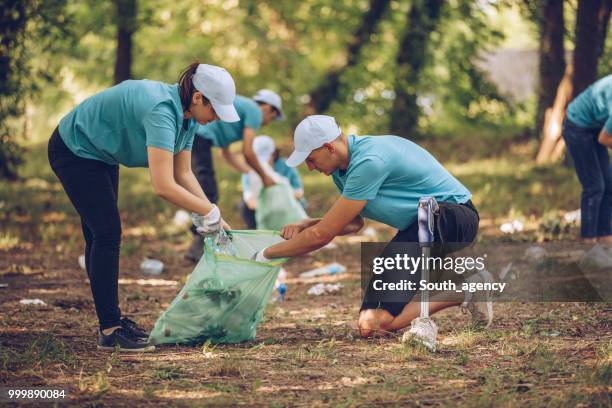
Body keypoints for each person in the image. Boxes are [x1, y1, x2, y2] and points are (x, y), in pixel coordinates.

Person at [48, 63, 238, 352]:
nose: (215, 119)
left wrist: (213, 214)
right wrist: (207, 212)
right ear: (198, 97)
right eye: (215, 111)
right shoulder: (162, 111)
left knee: (100, 233)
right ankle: (110, 329)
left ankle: (111, 322)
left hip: (101, 154)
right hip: (75, 148)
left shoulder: (187, 117)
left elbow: (183, 174)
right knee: (107, 232)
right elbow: (163, 185)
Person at [251, 115, 492, 337]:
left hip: (450, 217)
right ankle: (464, 289)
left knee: (376, 323)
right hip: (421, 224)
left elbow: (321, 236)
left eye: (311, 160)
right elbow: (353, 223)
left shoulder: (369, 161)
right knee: (371, 325)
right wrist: (306, 224)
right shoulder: (341, 169)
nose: (310, 167)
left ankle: (464, 289)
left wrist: (263, 255)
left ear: (329, 147)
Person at [185, 89, 286, 261]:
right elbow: (248, 152)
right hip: (198, 137)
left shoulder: (240, 111)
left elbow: (226, 154)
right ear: (268, 108)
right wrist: (264, 176)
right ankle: (199, 246)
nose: (268, 123)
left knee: (203, 188)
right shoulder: (254, 111)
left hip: (197, 137)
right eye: (272, 118)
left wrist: (251, 173)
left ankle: (201, 241)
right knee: (208, 192)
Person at [563, 74, 612, 244]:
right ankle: (588, 240)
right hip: (577, 126)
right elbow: (605, 138)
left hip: (596, 126)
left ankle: (605, 237)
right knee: (595, 185)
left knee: (609, 183)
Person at [239, 135, 305, 229]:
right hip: (264, 210)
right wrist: (267, 206)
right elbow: (250, 200)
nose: (262, 163)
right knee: (243, 206)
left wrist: (280, 200)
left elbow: (299, 193)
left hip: (288, 209)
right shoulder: (250, 171)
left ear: (273, 153)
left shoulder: (286, 166)